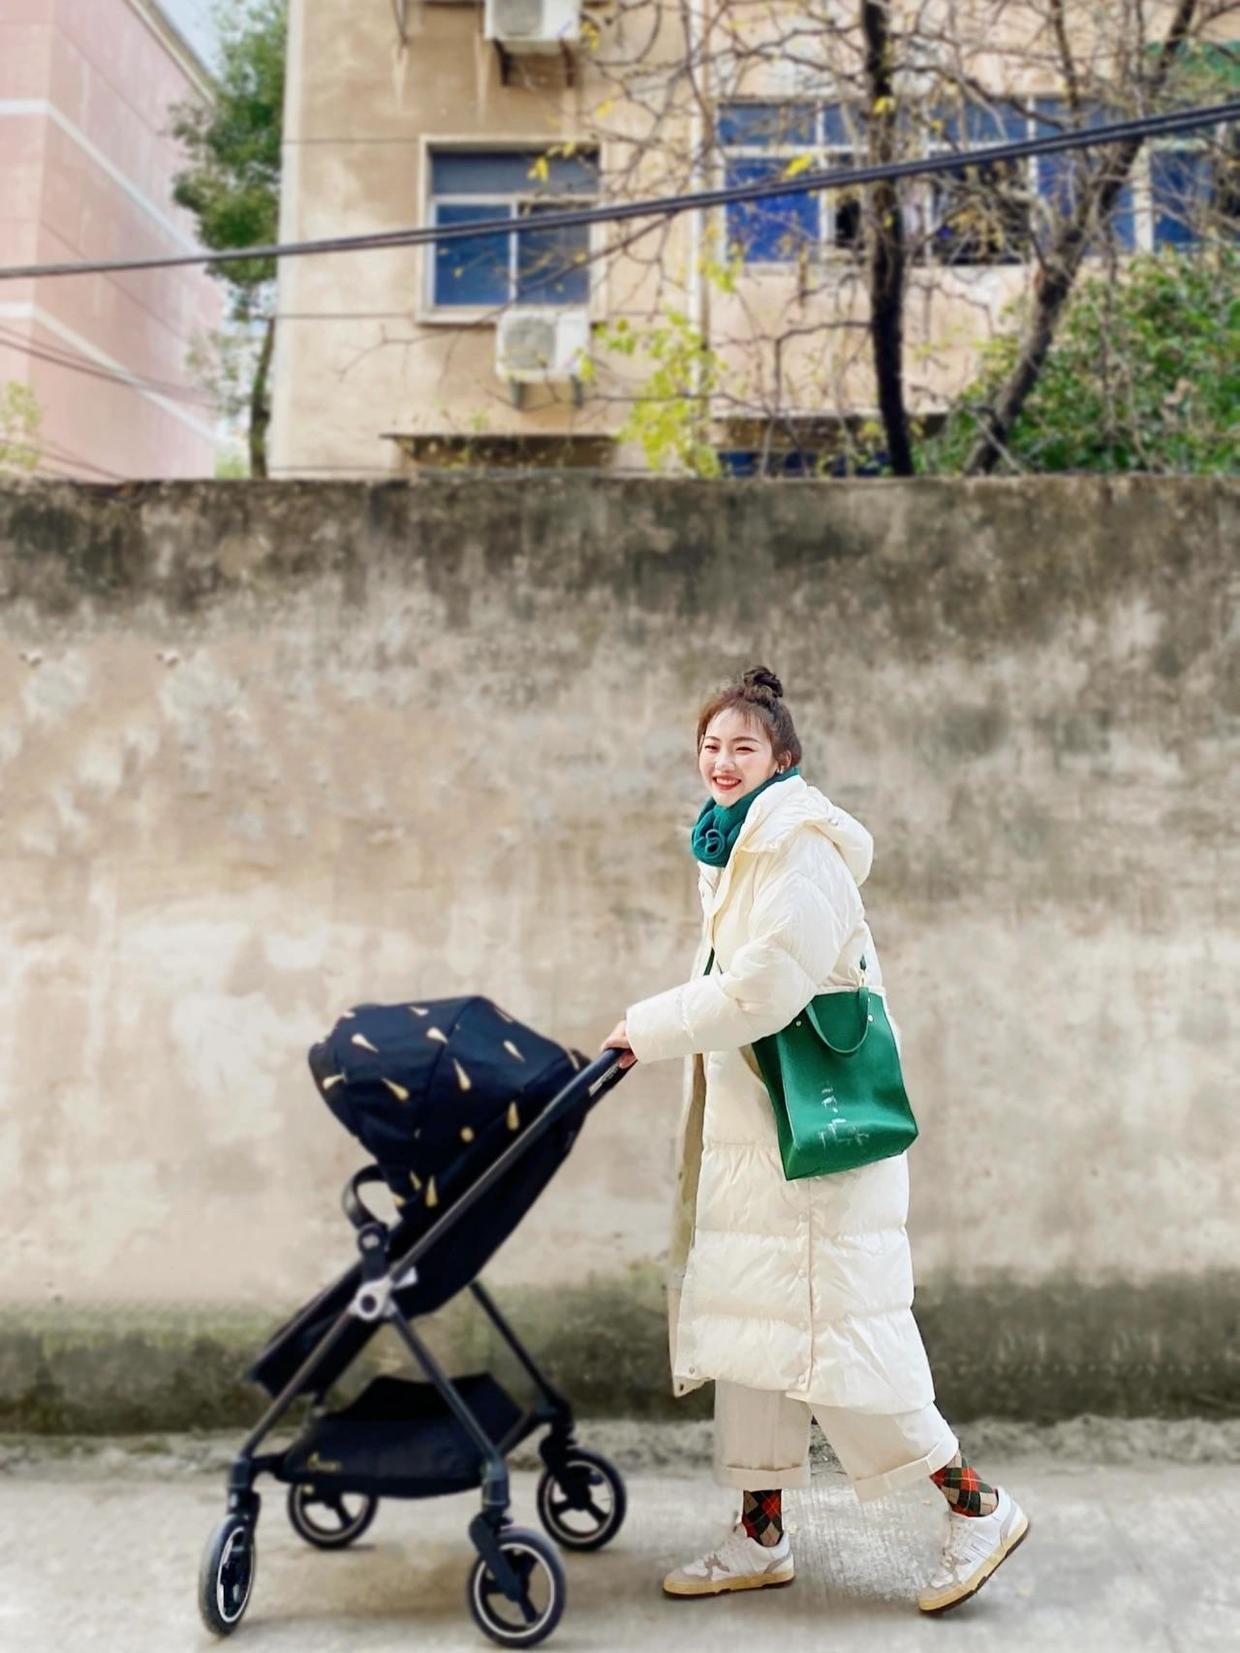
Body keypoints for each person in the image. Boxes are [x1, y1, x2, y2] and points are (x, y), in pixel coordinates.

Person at [602, 665, 1028, 1614]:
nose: (721, 761)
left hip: (815, 1151)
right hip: (765, 1144)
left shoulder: (797, 852)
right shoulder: (734, 846)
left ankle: (978, 1506)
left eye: (741, 747)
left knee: (843, 1345)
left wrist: (648, 1026)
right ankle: (759, 1531)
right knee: (757, 1336)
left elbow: (765, 991)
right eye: (710, 747)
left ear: (781, 758)